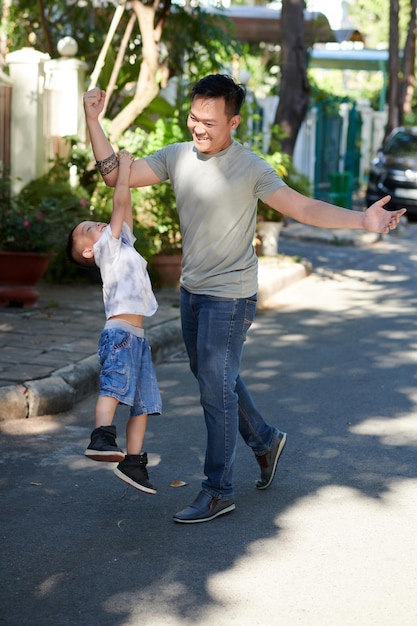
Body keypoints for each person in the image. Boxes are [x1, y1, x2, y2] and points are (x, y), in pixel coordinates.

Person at [83, 74, 406, 523]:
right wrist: (93, 120)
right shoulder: (178, 156)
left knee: (214, 389)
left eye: (210, 122)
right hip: (193, 290)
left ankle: (218, 489)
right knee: (211, 375)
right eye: (194, 117)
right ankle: (266, 439)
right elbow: (118, 174)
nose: (198, 128)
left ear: (233, 122)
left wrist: (362, 220)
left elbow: (302, 207)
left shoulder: (250, 168)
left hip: (231, 296)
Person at [67, 149, 162, 495]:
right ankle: (102, 436)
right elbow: (119, 205)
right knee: (114, 387)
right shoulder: (107, 250)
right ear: (90, 251)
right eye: (90, 228)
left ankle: (134, 462)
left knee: (144, 403)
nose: (99, 224)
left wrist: (129, 179)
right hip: (120, 335)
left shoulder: (123, 246)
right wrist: (123, 170)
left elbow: (127, 209)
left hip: (138, 338)